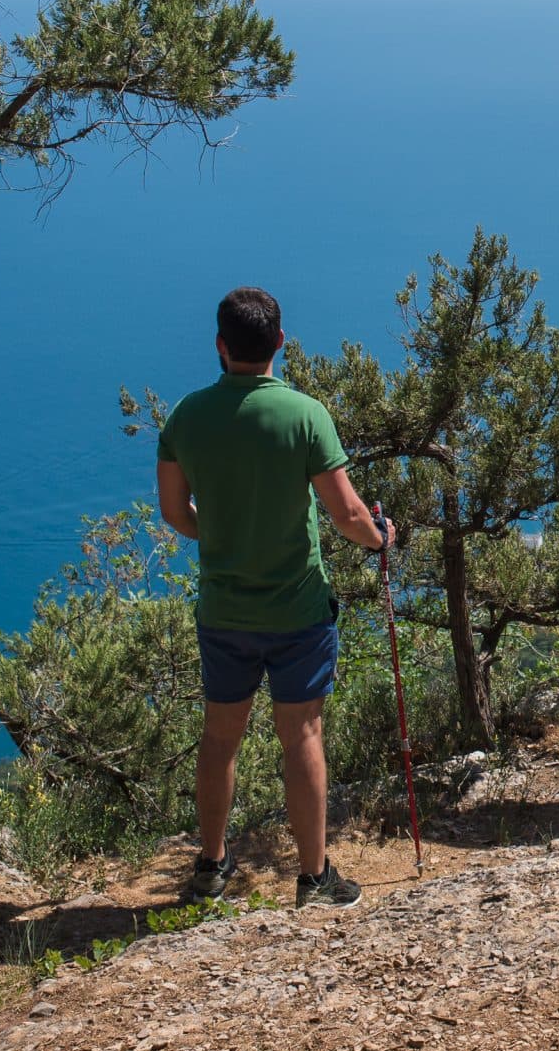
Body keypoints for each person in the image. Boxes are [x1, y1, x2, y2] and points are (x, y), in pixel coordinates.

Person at [156, 286, 396, 909]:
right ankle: (314, 879)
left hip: (225, 609)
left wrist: (227, 531)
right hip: (296, 610)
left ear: (220, 346)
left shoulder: (186, 416)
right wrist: (379, 538)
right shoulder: (305, 414)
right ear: (280, 344)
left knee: (220, 737)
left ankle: (211, 868)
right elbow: (345, 512)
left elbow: (174, 512)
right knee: (303, 735)